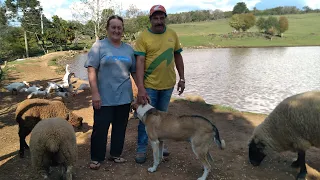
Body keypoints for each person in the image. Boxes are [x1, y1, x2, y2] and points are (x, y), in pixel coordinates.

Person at [134, 4, 186, 164]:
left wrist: (182, 78)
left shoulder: (172, 34)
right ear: (150, 19)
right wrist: (141, 88)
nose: (158, 21)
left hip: (167, 85)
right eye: (155, 18)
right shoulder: (143, 36)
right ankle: (142, 148)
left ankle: (161, 147)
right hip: (149, 86)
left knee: (163, 119)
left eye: (161, 17)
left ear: (165, 18)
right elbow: (140, 62)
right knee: (145, 118)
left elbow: (178, 56)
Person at [84, 15, 137, 170]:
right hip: (103, 97)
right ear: (107, 29)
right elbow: (91, 69)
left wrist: (140, 89)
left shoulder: (128, 49)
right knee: (100, 128)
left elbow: (133, 71)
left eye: (119, 27)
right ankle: (96, 157)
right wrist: (95, 93)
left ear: (123, 30)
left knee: (120, 127)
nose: (116, 30)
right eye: (113, 27)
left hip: (124, 97)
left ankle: (115, 154)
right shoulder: (98, 46)